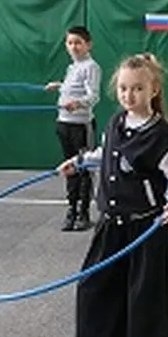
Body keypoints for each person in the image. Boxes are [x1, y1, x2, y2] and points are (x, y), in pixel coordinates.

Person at [56, 53, 168, 337]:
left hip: (146, 228)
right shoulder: (116, 123)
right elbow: (105, 154)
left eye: (137, 89)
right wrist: (79, 161)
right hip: (110, 224)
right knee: (95, 288)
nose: (129, 95)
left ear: (153, 89)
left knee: (143, 298)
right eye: (123, 88)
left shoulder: (162, 137)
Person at [45, 26, 101, 232]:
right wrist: (59, 86)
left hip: (81, 125)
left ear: (88, 44)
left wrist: (78, 104)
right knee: (69, 167)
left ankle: (83, 213)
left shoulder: (91, 67)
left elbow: (93, 95)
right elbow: (74, 87)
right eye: (70, 43)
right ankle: (71, 209)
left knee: (83, 167)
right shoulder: (72, 67)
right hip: (64, 124)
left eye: (78, 42)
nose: (74, 46)